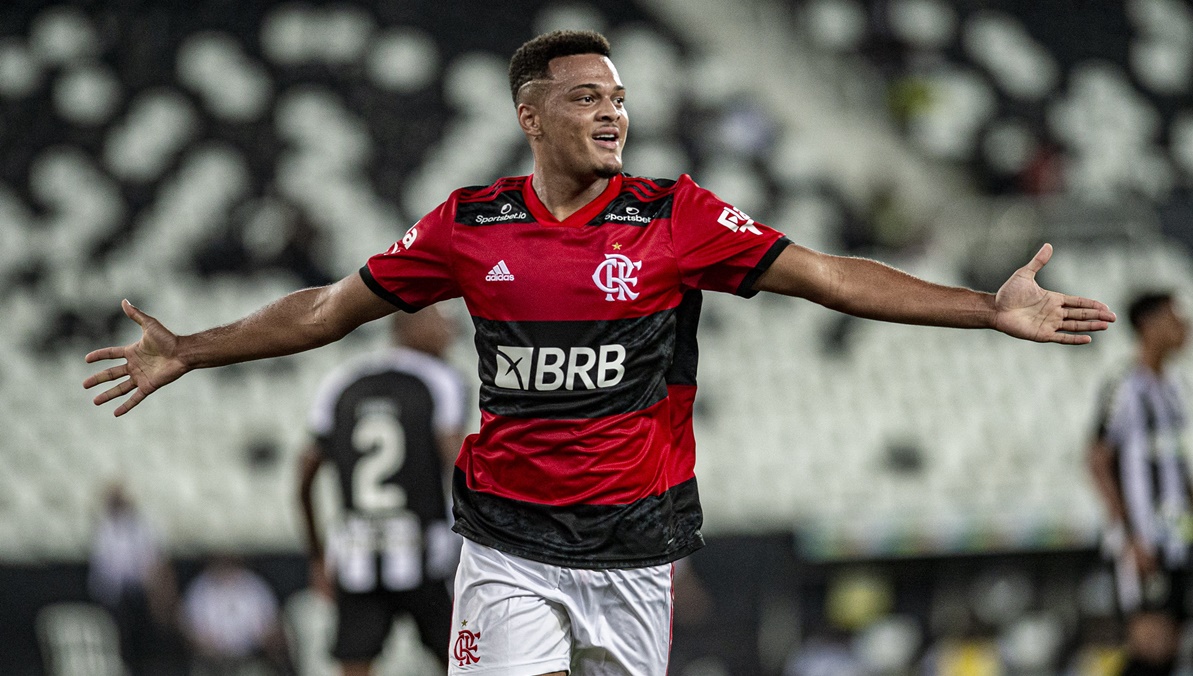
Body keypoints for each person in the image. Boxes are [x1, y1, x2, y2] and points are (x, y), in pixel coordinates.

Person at [85, 30, 1116, 676]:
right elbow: (326, 308)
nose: (612, 109)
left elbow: (831, 276)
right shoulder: (469, 224)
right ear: (530, 117)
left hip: (633, 549)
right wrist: (194, 350)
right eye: (586, 96)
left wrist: (983, 307)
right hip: (505, 547)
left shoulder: (678, 215)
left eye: (617, 95)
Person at [298, 306, 468, 674]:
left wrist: (316, 553)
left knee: (355, 662)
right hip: (427, 551)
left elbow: (304, 475)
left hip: (358, 551)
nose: (450, 328)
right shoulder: (440, 379)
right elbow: (458, 465)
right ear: (409, 324)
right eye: (440, 318)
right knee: (462, 661)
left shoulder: (342, 379)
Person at [1087, 291, 1191, 676]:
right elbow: (1098, 460)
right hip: (1146, 537)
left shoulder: (1172, 389)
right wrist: (1130, 535)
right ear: (1148, 326)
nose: (1184, 326)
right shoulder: (1125, 387)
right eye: (1173, 318)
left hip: (1177, 536)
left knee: (1170, 645)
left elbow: (1176, 467)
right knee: (1150, 644)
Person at [87, 481, 181, 675]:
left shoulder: (141, 526)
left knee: (144, 635)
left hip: (140, 591)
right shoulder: (104, 528)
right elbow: (104, 566)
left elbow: (152, 557)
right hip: (114, 595)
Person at [180, 555, 292, 676]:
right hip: (211, 662)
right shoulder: (200, 587)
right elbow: (189, 631)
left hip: (250, 659)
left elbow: (270, 629)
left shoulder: (254, 585)